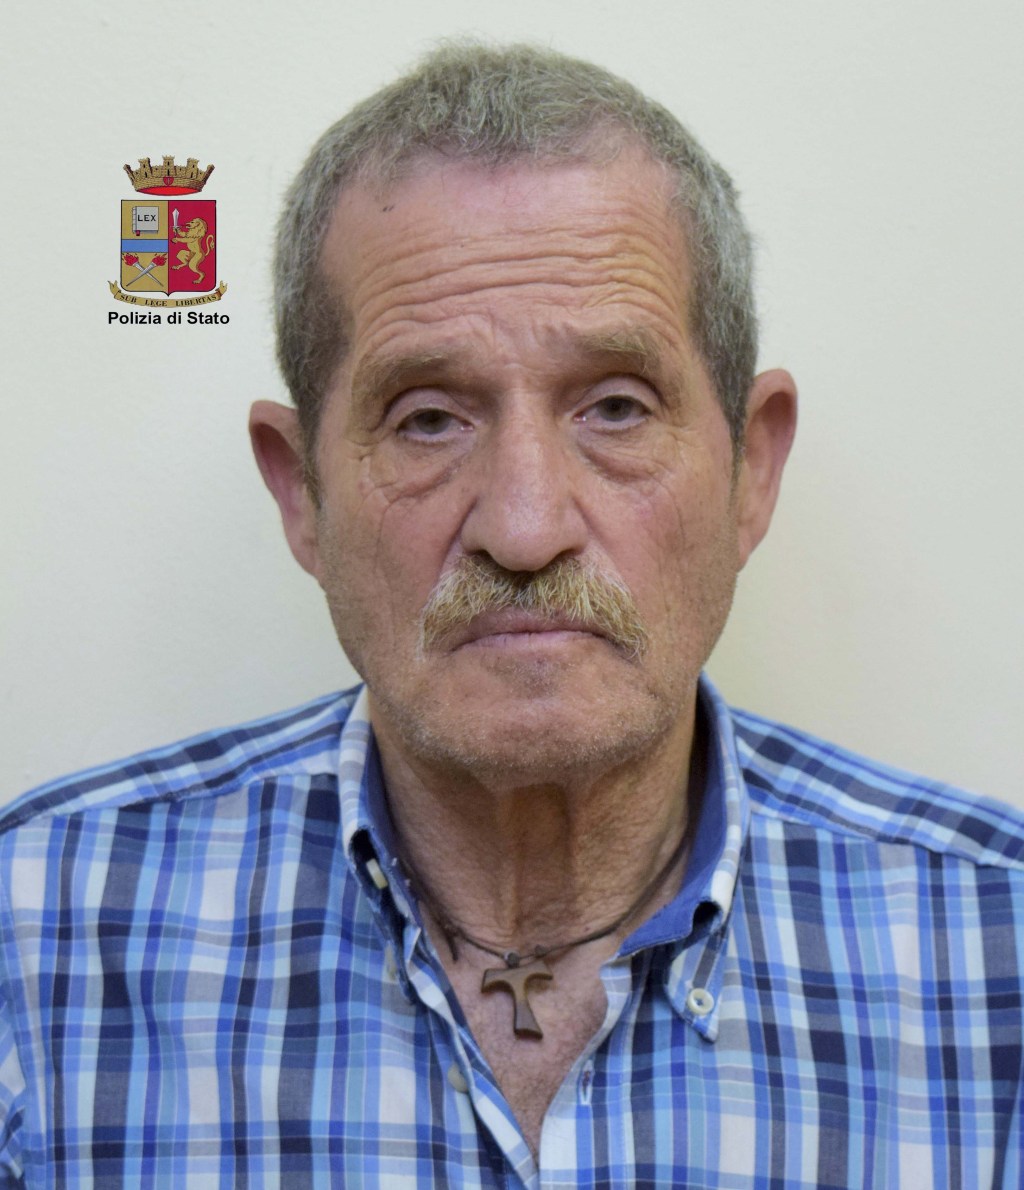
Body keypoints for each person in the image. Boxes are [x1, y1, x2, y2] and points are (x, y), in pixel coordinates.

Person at [1, 42, 1021, 1188]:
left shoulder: (996, 955)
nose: (525, 528)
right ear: (302, 493)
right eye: (428, 419)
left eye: (616, 407)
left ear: (751, 471)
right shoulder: (35, 943)